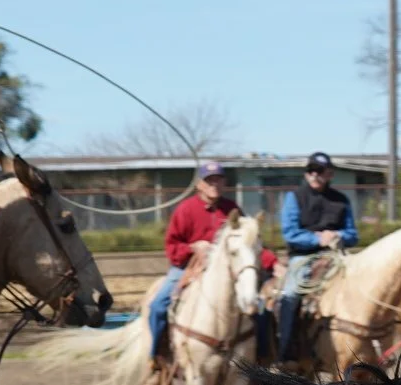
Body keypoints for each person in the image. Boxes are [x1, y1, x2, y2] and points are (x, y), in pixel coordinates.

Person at [149, 161, 256, 350]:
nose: (214, 185)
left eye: (218, 180)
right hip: (187, 267)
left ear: (224, 183)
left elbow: (245, 243)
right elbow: (172, 246)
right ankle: (156, 355)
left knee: (260, 305)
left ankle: (264, 356)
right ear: (199, 184)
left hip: (226, 271)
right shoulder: (186, 209)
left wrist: (271, 264)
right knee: (158, 306)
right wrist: (192, 248)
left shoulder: (232, 210)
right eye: (209, 180)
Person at [275, 152, 356, 363]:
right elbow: (290, 233)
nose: (314, 175)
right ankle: (287, 354)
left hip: (337, 255)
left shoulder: (341, 200)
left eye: (320, 171)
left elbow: (353, 234)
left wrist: (338, 235)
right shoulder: (295, 197)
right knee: (291, 294)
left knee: (364, 286)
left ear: (329, 174)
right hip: (303, 257)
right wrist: (316, 239)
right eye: (311, 170)